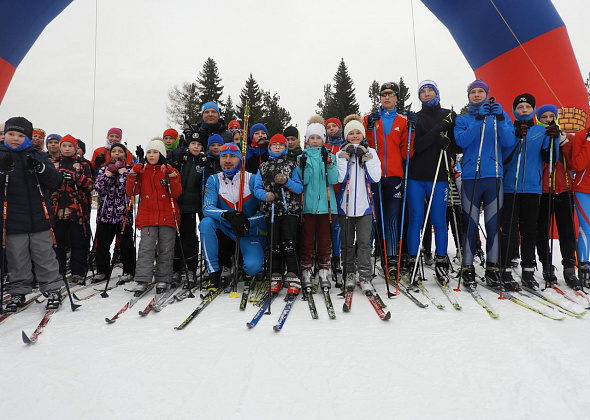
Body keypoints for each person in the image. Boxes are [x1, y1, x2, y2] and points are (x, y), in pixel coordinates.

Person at [454, 79, 516, 290]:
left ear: (487, 93)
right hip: (471, 177)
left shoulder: (502, 116)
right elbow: (461, 142)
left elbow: (509, 141)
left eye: (481, 91)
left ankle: (492, 267)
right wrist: (479, 120)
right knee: (469, 224)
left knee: (493, 225)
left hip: (494, 176)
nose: (477, 95)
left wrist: (498, 118)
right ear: (469, 96)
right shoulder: (463, 119)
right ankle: (468, 267)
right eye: (473, 92)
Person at [0, 117, 63, 311]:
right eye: (11, 134)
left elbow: (55, 181)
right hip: (12, 219)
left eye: (20, 135)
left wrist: (42, 169)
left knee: (44, 255)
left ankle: (52, 288)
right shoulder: (1, 155)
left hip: (39, 217)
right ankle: (18, 291)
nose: (15, 139)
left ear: (28, 138)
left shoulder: (38, 155)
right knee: (17, 258)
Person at [499, 94, 558, 290]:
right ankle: (505, 269)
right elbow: (504, 158)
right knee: (508, 229)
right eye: (520, 107)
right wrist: (516, 136)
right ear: (514, 110)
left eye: (527, 107)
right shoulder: (509, 129)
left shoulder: (541, 131)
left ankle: (528, 270)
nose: (524, 110)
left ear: (533, 109)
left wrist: (553, 139)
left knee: (529, 231)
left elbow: (551, 159)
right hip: (510, 187)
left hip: (533, 188)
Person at [407, 80, 457, 285]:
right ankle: (413, 259)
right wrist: (438, 131)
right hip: (417, 177)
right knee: (416, 219)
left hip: (440, 177)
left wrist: (450, 147)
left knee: (439, 220)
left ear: (437, 92)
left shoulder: (450, 115)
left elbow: (456, 145)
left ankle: (441, 260)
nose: (427, 94)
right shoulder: (416, 118)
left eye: (430, 91)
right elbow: (418, 146)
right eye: (423, 92)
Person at [364, 82, 415, 281]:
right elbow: (363, 145)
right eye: (383, 94)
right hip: (373, 175)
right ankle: (366, 260)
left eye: (391, 94)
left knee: (392, 219)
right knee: (371, 218)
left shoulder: (402, 121)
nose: (387, 98)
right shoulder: (369, 118)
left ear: (396, 98)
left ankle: (391, 260)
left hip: (394, 175)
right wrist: (368, 128)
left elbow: (407, 153)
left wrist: (412, 131)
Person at [199, 143, 266, 292]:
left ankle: (244, 261)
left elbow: (264, 211)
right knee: (206, 223)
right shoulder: (214, 180)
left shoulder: (253, 179)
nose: (228, 160)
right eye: (224, 156)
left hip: (247, 230)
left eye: (232, 157)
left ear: (240, 159)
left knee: (253, 267)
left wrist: (246, 221)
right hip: (225, 228)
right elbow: (207, 208)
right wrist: (227, 215)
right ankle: (213, 272)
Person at [126, 139, 182, 295]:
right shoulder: (142, 171)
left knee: (166, 249)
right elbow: (131, 192)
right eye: (149, 152)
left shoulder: (170, 170)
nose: (151, 155)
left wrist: (172, 175)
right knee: (146, 248)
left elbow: (176, 192)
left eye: (155, 152)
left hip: (167, 216)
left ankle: (163, 278)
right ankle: (142, 279)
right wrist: (132, 174)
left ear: (162, 154)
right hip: (148, 217)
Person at [534, 104, 580, 289]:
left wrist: (562, 142)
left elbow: (572, 164)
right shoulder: (537, 136)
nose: (548, 120)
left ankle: (570, 267)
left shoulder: (565, 137)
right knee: (542, 230)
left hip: (564, 189)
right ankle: (546, 265)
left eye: (551, 116)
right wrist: (547, 144)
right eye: (543, 117)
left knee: (567, 231)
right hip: (543, 190)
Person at [336, 115, 382, 291]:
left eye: (358, 133)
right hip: (345, 206)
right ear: (346, 135)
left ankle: (364, 275)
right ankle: (348, 273)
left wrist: (367, 158)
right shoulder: (340, 152)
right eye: (351, 133)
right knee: (347, 243)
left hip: (365, 206)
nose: (354, 136)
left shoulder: (372, 152)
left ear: (363, 135)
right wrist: (345, 159)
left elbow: (376, 177)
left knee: (364, 243)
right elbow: (339, 178)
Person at [253, 134, 303, 294]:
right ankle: (275, 274)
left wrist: (286, 181)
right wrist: (265, 196)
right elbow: (257, 188)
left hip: (289, 210)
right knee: (274, 243)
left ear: (286, 148)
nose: (277, 147)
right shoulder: (263, 166)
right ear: (269, 147)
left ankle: (293, 274)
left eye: (281, 145)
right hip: (272, 210)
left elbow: (299, 188)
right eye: (274, 145)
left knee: (289, 242)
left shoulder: (291, 164)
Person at [296, 119, 338, 291]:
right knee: (306, 238)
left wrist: (329, 165)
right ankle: (306, 268)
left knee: (324, 239)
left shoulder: (329, 156)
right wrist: (302, 168)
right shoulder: (302, 157)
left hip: (326, 205)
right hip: (308, 205)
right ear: (307, 140)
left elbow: (334, 180)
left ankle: (324, 268)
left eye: (318, 138)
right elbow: (302, 182)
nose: (315, 141)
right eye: (312, 137)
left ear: (323, 139)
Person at [49, 135, 94, 283]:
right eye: (64, 146)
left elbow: (90, 186)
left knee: (78, 242)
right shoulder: (53, 163)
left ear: (75, 148)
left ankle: (78, 271)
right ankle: (58, 270)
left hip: (77, 210)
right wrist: (57, 178)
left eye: (70, 146)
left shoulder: (83, 164)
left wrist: (78, 178)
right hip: (57, 210)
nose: (67, 149)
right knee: (58, 243)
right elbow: (47, 184)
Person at [93, 143, 136, 283]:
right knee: (103, 245)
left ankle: (128, 270)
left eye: (120, 151)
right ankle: (102, 270)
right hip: (105, 214)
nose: (117, 154)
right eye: (114, 151)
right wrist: (108, 175)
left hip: (122, 215)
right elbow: (99, 188)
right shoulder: (104, 169)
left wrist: (123, 174)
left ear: (125, 154)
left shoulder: (130, 170)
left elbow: (129, 190)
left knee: (126, 245)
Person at [168, 133, 208, 278]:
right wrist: (177, 162)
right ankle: (176, 267)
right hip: (177, 204)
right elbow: (169, 169)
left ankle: (191, 267)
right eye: (193, 144)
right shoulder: (182, 158)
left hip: (192, 206)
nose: (196, 147)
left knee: (189, 238)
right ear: (188, 145)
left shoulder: (202, 162)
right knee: (176, 238)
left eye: (199, 145)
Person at [567, 125, 590, 289]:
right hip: (584, 189)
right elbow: (577, 164)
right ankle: (584, 269)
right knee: (586, 229)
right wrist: (588, 141)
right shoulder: (582, 135)